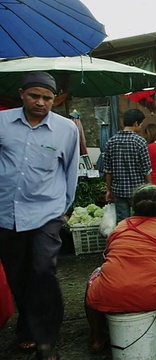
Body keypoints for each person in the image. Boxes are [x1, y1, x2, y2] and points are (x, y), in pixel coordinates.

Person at [0, 71, 79, 360]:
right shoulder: (2, 123)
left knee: (43, 271)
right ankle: (26, 326)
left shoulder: (65, 129)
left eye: (47, 98)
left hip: (46, 212)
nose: (41, 102)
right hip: (6, 213)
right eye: (35, 96)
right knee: (18, 275)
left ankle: (47, 341)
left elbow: (70, 170)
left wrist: (64, 207)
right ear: (21, 93)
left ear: (54, 99)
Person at [85, 184, 156, 352]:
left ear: (133, 206)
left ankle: (96, 338)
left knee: (94, 277)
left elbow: (106, 258)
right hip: (154, 294)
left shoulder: (120, 227)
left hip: (111, 293)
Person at [103, 109, 152, 224]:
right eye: (141, 124)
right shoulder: (140, 142)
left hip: (118, 190)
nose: (141, 127)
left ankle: (124, 240)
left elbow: (108, 171)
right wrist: (149, 187)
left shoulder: (111, 142)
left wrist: (108, 190)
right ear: (136, 123)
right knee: (140, 221)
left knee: (122, 223)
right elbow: (146, 169)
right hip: (138, 191)